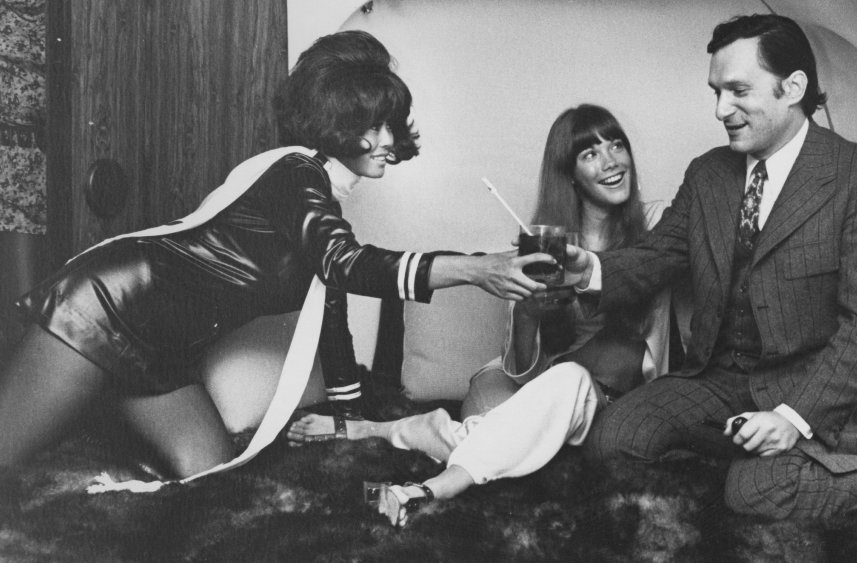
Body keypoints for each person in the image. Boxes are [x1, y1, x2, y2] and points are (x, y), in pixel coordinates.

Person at [0, 30, 553, 481]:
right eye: (372, 124)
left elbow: (329, 313)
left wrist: (352, 420)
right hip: (106, 303)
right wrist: (478, 270)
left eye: (391, 123)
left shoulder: (323, 206)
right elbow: (345, 265)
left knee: (207, 474)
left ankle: (104, 413)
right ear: (336, 121)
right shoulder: (296, 174)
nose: (388, 138)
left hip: (161, 350)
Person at [560, 14, 857, 520]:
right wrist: (590, 270)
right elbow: (658, 255)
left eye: (738, 90)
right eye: (716, 91)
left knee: (754, 491)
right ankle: (744, 460)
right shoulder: (708, 173)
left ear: (793, 87)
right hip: (720, 379)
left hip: (814, 392)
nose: (720, 109)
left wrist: (793, 417)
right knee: (612, 440)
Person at [288, 104, 679, 527]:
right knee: (546, 398)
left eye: (616, 145)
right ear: (569, 173)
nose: (611, 161)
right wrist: (529, 314)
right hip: (542, 387)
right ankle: (421, 475)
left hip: (610, 398)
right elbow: (521, 371)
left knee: (525, 415)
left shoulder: (658, 224)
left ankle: (396, 451)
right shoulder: (542, 245)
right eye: (590, 153)